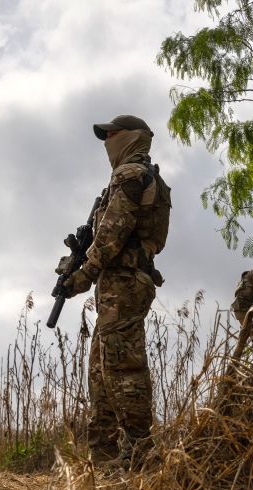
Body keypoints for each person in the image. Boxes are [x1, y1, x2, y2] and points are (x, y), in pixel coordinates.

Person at [58, 114, 171, 463]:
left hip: (124, 282)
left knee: (123, 366)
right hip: (118, 284)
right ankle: (103, 454)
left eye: (113, 135)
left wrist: (83, 274)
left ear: (132, 138)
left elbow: (111, 236)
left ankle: (139, 450)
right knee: (101, 368)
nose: (108, 142)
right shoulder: (138, 177)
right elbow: (103, 236)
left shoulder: (131, 175)